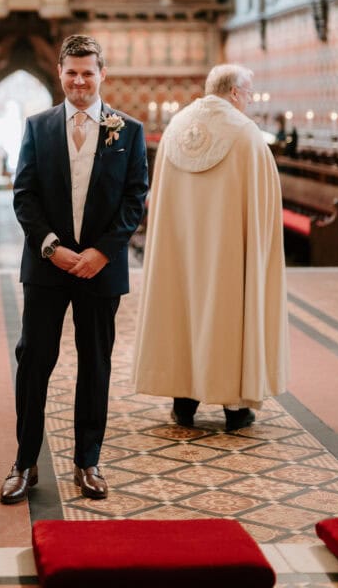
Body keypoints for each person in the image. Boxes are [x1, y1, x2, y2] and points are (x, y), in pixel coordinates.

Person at [0, 34, 148, 505]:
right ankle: (24, 463)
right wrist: (50, 247)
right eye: (71, 73)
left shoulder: (128, 130)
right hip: (47, 266)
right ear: (60, 74)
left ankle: (89, 461)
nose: (79, 81)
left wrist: (102, 252)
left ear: (102, 74)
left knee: (96, 363)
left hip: (101, 269)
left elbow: (134, 199)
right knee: (34, 361)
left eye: (88, 72)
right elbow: (24, 196)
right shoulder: (37, 126)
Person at [132, 63, 289, 432]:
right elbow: (264, 204)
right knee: (229, 312)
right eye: (248, 94)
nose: (248, 101)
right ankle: (235, 409)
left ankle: (183, 405)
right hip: (229, 254)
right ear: (235, 92)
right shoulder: (247, 134)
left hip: (181, 251)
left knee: (181, 308)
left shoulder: (176, 128)